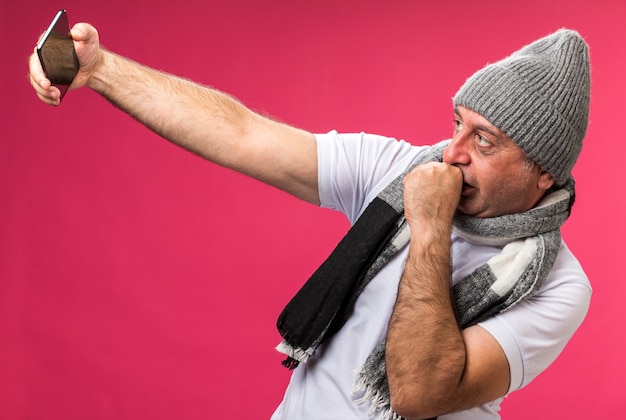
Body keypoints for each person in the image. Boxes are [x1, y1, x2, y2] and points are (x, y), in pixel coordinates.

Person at [28, 22, 591, 420]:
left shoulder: (560, 286)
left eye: (484, 140)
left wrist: (429, 228)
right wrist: (102, 71)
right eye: (456, 124)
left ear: (543, 172)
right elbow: (241, 133)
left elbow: (419, 393)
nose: (451, 153)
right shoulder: (396, 169)